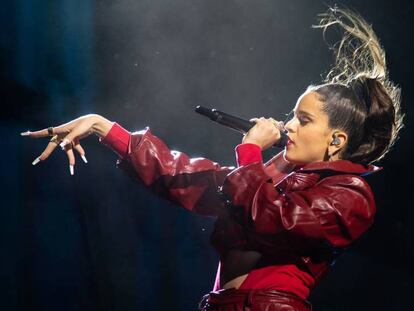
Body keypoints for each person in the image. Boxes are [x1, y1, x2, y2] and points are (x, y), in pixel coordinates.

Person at [21, 5, 404, 311]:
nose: (288, 126)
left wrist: (252, 152)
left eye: (302, 120)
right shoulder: (270, 176)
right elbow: (186, 178)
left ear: (336, 141)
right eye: (291, 116)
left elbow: (273, 219)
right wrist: (105, 128)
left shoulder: (350, 194)